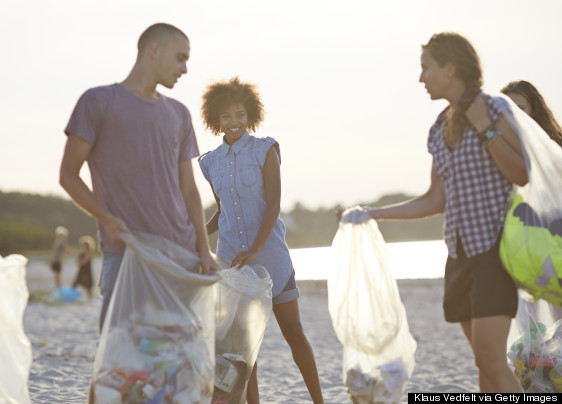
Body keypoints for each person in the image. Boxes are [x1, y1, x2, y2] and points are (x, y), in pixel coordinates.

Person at [353, 33, 528, 393]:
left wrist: (487, 129)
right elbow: (435, 199)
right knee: (483, 363)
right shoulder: (439, 127)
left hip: (494, 252)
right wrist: (372, 214)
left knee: (492, 361)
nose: (421, 78)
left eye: (426, 68)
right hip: (459, 256)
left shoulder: (494, 109)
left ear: (450, 68)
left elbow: (523, 173)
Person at [59, 22, 220, 334]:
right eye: (180, 58)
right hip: (128, 253)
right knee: (116, 364)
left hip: (181, 256)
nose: (185, 68)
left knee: (172, 363)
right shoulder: (98, 102)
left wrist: (203, 249)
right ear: (154, 51)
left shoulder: (180, 114)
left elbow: (189, 189)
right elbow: (68, 175)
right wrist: (106, 219)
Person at [198, 77, 324, 404]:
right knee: (242, 348)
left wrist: (256, 248)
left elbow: (274, 205)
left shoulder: (265, 149)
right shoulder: (209, 162)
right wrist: (195, 235)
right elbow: (221, 211)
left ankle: (319, 401)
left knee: (294, 332)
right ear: (216, 119)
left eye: (240, 114)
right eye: (226, 116)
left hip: (271, 258)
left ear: (250, 114)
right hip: (233, 264)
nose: (234, 121)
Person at [500, 80, 562, 146]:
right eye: (509, 108)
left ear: (534, 110)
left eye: (521, 108)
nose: (514, 113)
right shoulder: (496, 140)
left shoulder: (555, 143)